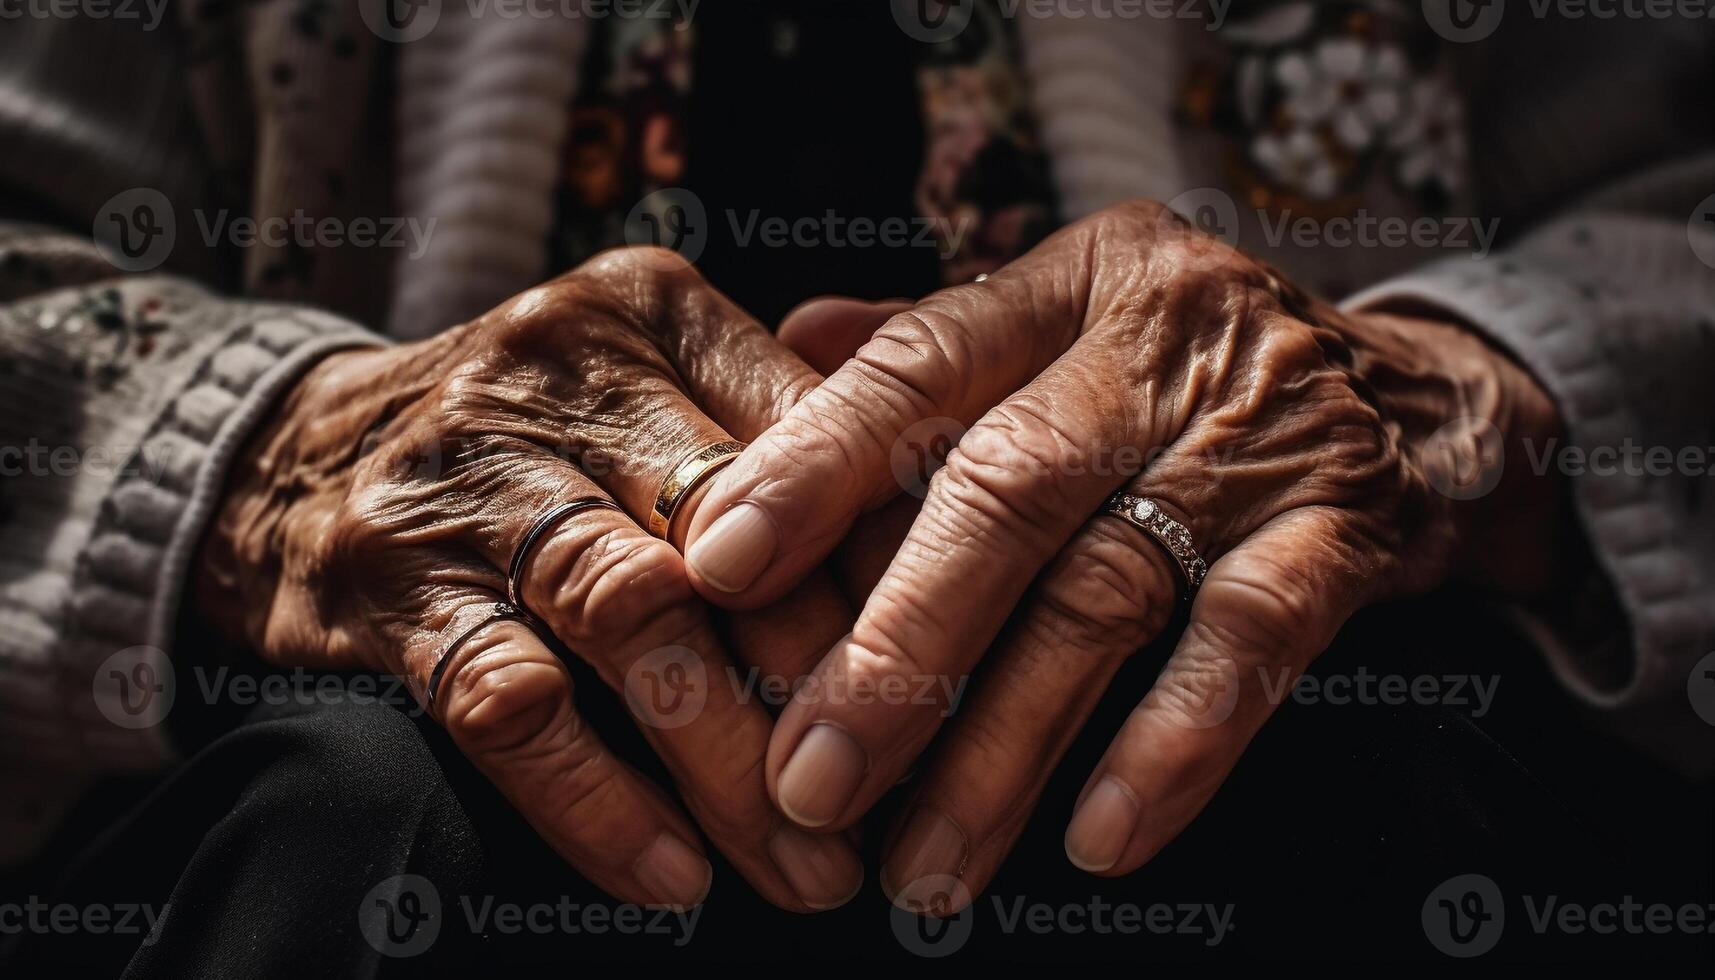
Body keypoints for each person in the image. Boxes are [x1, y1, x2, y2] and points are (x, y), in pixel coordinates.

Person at [0, 0, 1710, 969]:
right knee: (368, 823)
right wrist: (282, 455)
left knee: (1318, 768)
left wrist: (1444, 403)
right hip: (348, 743)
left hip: (1341, 666)